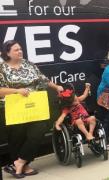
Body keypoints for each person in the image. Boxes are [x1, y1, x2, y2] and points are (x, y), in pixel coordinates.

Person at [0, 40, 63, 178]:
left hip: (34, 105)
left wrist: (56, 87)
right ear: (7, 53)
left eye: (20, 48)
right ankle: (24, 165)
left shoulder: (29, 64)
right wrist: (16, 91)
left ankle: (20, 161)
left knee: (39, 131)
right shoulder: (2, 68)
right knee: (17, 137)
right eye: (16, 50)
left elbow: (43, 79)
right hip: (13, 107)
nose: (20, 51)